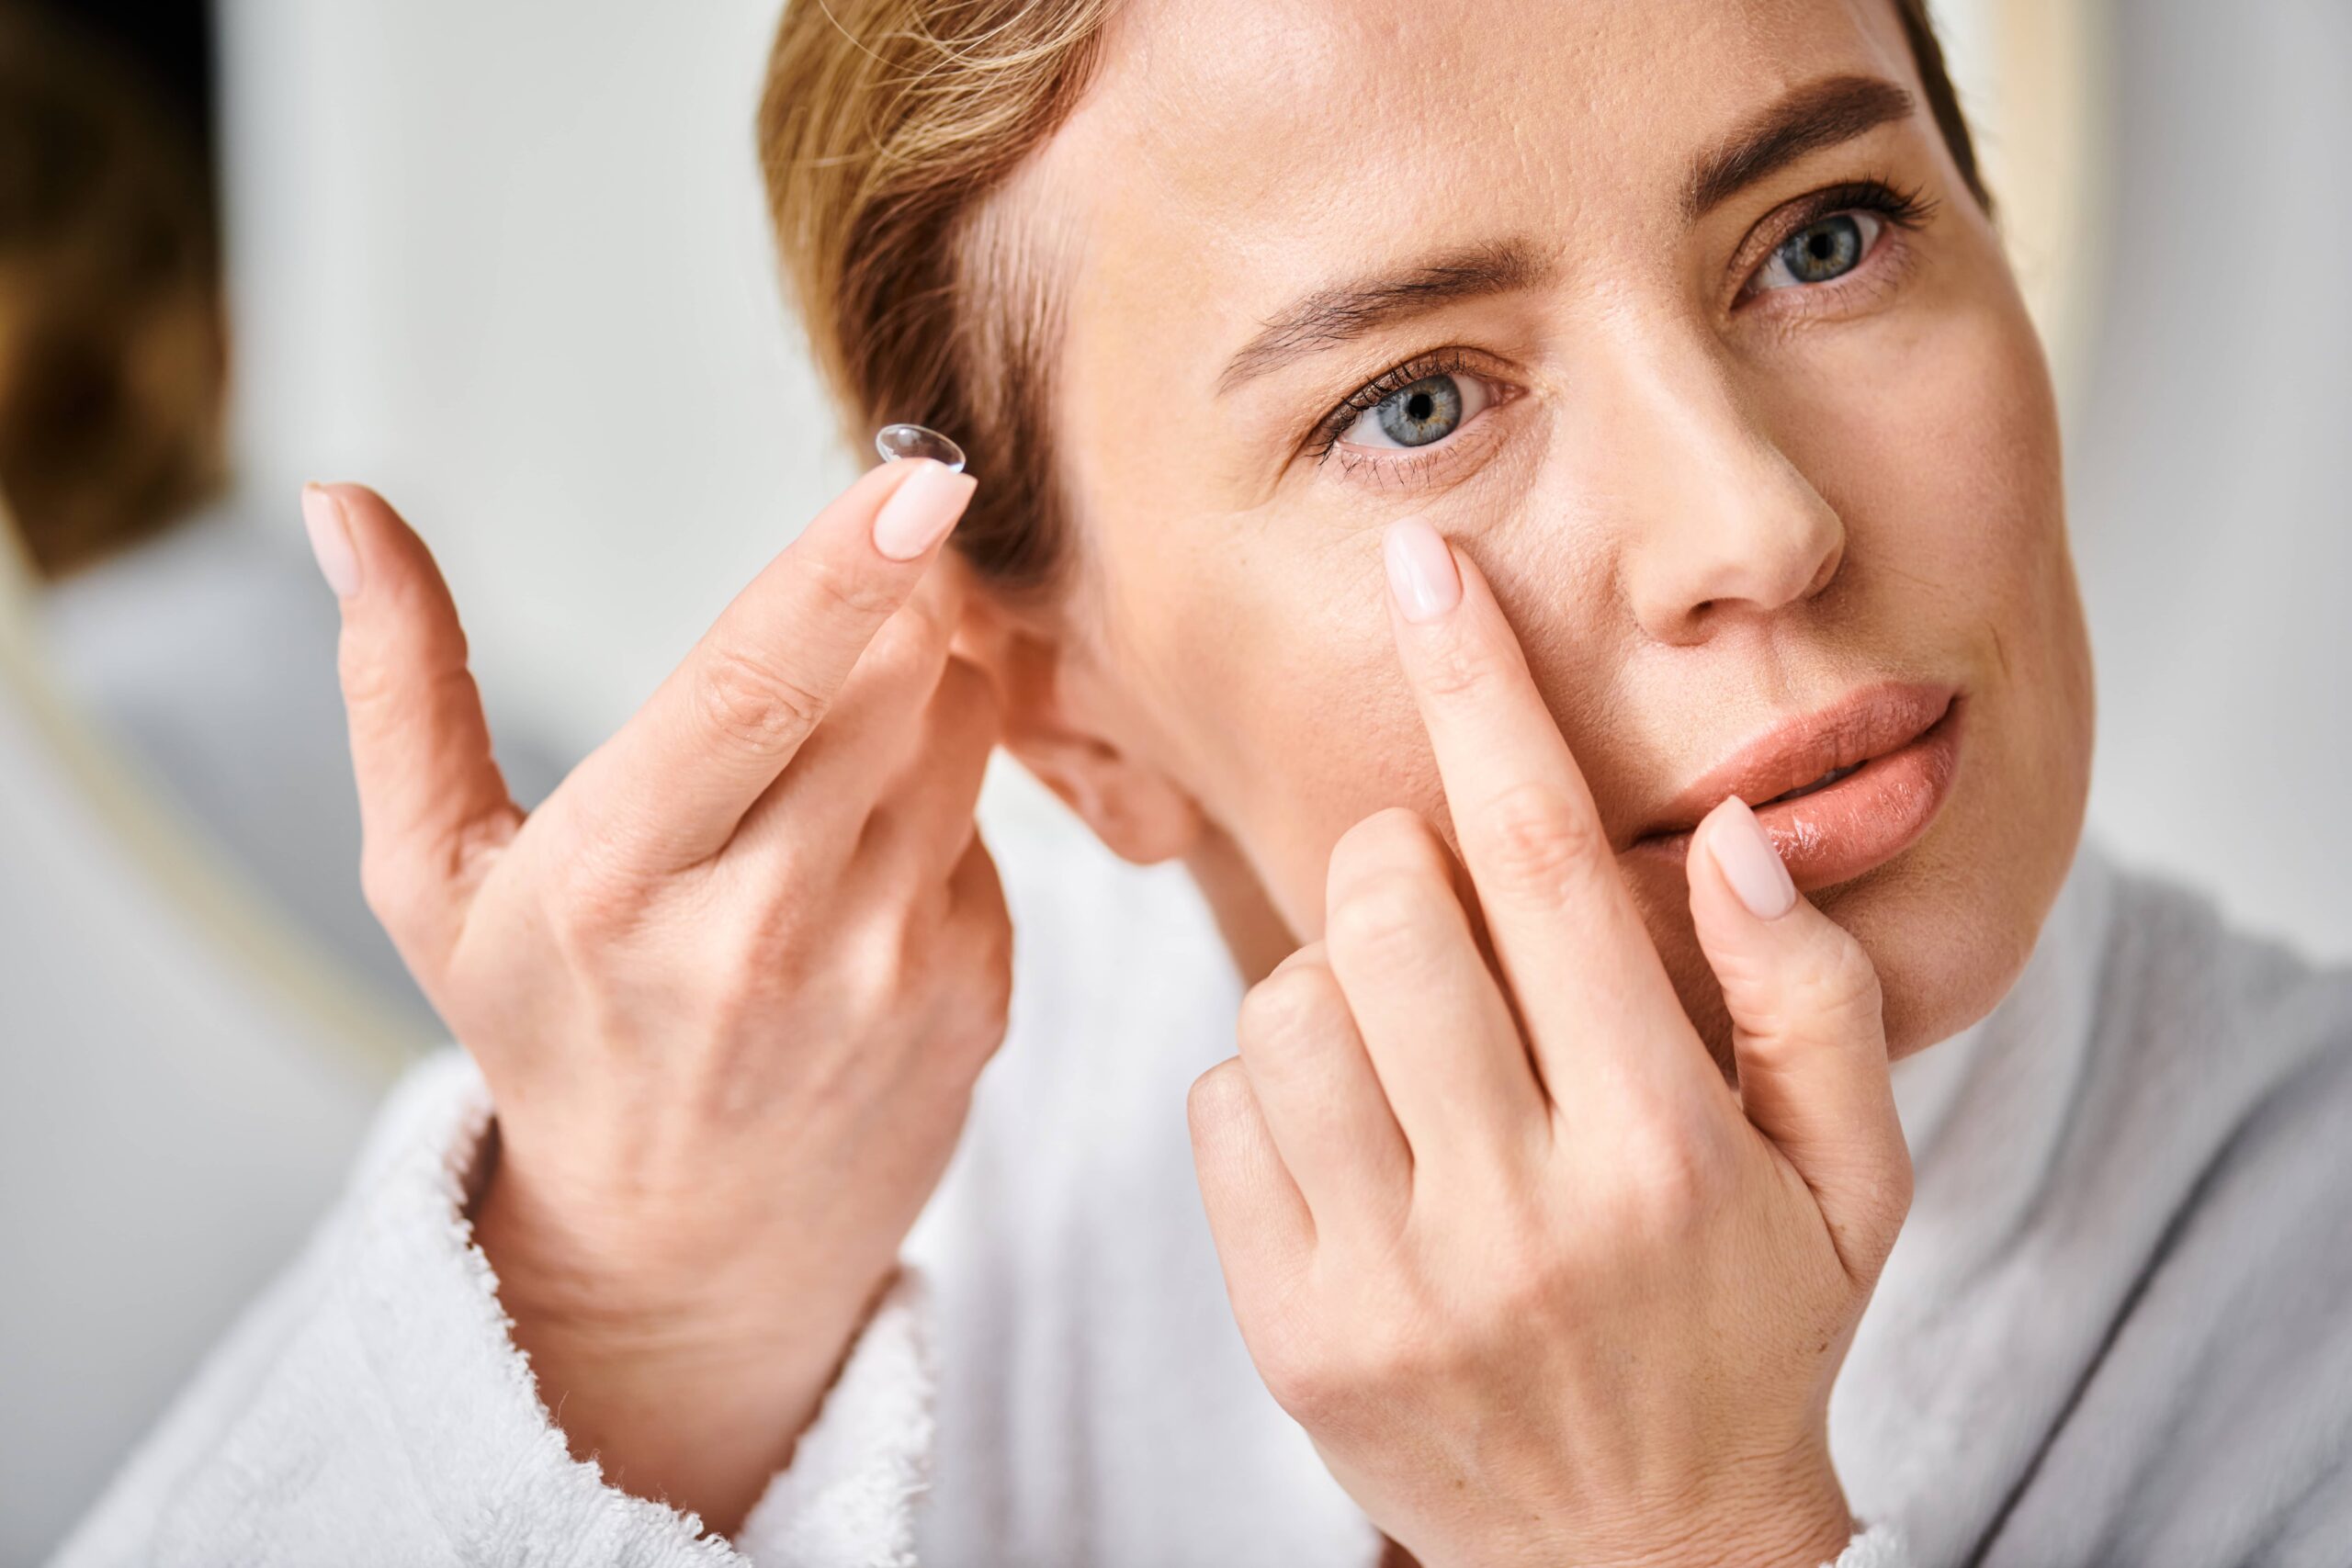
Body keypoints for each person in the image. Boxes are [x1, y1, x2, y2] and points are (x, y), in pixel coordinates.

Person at [53, 1, 2352, 1564]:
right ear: (1063, 711)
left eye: (1825, 236)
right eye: (1418, 402)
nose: (1753, 522)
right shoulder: (795, 1187)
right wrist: (623, 1324)